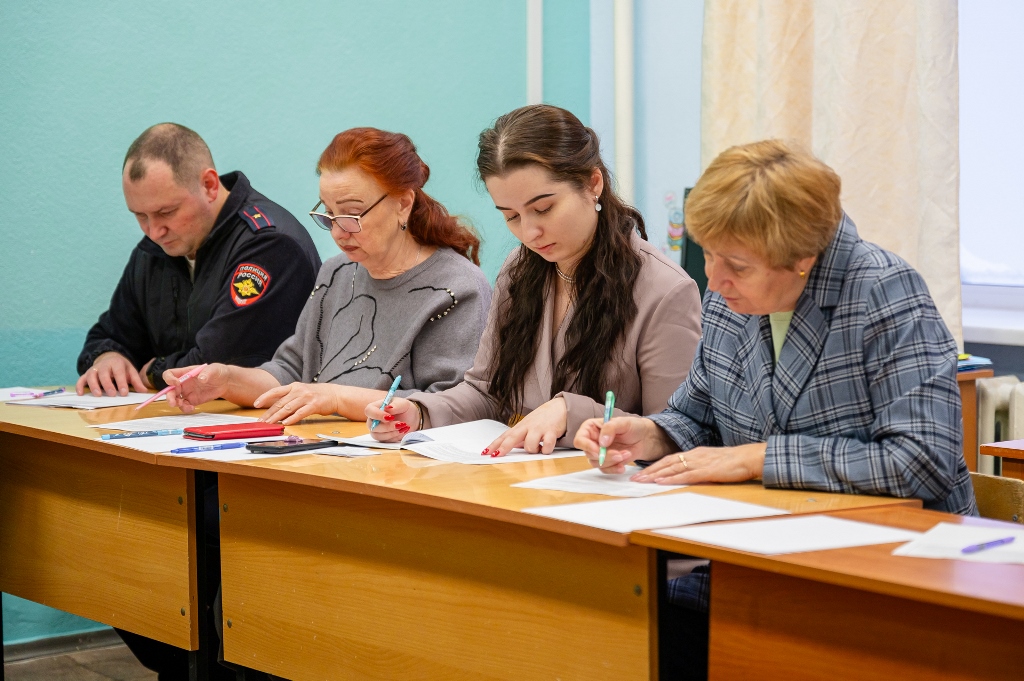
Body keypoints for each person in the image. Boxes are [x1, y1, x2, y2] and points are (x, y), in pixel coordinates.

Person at [573, 139, 978, 680]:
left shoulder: (884, 293)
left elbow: (924, 460)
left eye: (737, 266)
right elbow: (697, 417)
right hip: (752, 555)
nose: (714, 279)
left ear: (803, 259)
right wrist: (646, 435)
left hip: (885, 574)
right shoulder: (729, 295)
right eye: (708, 254)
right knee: (620, 622)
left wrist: (757, 458)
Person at [366, 104, 702, 452]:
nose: (529, 233)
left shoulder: (665, 291)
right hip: (522, 477)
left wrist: (570, 413)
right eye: (511, 216)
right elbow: (487, 391)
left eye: (543, 209)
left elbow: (674, 433)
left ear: (593, 183)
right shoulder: (520, 270)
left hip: (604, 481)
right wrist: (420, 412)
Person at [165, 127, 491, 424]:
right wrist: (225, 380)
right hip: (323, 451)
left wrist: (334, 397)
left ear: (403, 204)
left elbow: (453, 405)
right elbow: (290, 371)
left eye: (352, 214)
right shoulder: (337, 272)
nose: (338, 232)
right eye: (329, 214)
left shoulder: (455, 287)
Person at [75, 123, 321, 396]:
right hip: (179, 417)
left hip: (255, 419)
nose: (154, 231)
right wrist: (107, 358)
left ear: (209, 186)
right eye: (140, 216)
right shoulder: (155, 250)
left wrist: (154, 371)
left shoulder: (269, 245)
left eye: (166, 212)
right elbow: (109, 334)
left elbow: (216, 364)